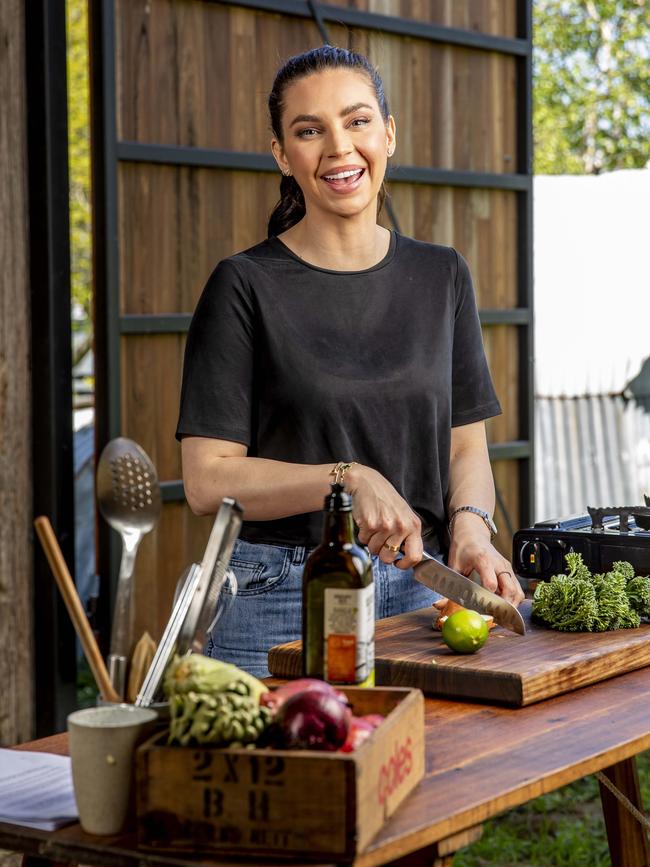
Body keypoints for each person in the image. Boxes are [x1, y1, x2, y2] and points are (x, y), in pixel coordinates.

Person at [176, 45, 524, 677]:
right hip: (284, 594)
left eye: (357, 121)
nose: (339, 147)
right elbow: (206, 481)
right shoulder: (244, 285)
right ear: (283, 154)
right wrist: (347, 477)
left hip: (421, 589)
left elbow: (465, 448)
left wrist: (471, 526)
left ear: (387, 134)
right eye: (310, 130)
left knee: (424, 773)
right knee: (290, 773)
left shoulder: (441, 273)